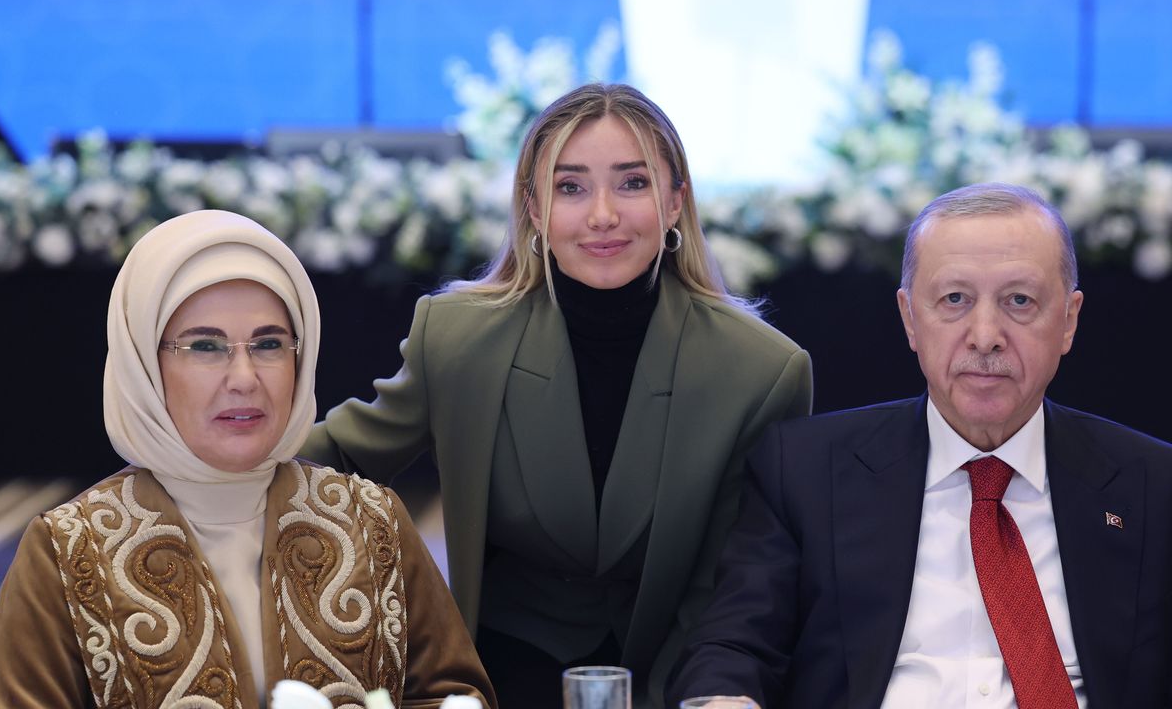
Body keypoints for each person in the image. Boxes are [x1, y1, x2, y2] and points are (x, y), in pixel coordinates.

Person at [302, 83, 813, 708]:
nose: (602, 215)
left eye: (633, 183)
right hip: (498, 674)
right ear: (534, 209)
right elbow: (336, 459)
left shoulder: (762, 370)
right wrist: (206, 456)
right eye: (570, 187)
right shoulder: (459, 338)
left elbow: (739, 588)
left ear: (676, 201)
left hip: (679, 675)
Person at [667, 183, 1172, 708]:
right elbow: (734, 649)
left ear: (1068, 320)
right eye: (955, 298)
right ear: (910, 318)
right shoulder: (804, 471)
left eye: (1019, 301)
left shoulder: (1155, 487)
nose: (985, 337)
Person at [0, 210, 495, 709]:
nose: (245, 378)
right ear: (144, 364)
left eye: (269, 344)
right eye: (206, 346)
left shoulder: (371, 521)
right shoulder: (69, 550)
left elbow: (453, 698)